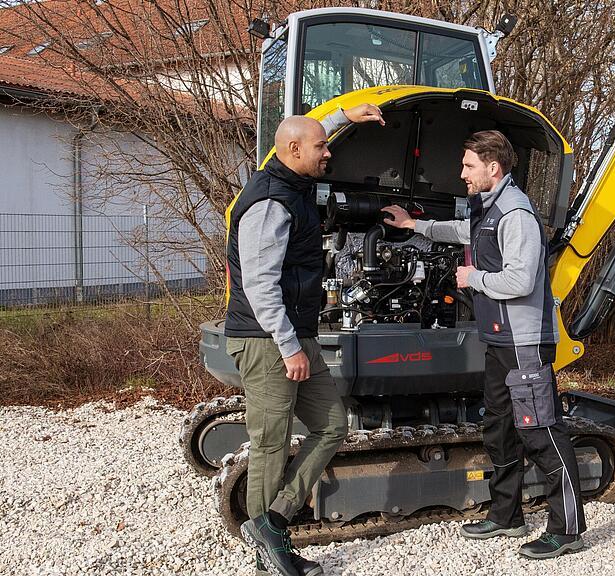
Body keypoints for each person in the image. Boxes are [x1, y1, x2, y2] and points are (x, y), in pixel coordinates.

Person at [381, 130, 586, 559]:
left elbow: (520, 279)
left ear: (493, 168)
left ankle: (567, 529)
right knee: (499, 427)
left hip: (524, 342)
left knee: (541, 431)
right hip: (498, 340)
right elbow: (460, 229)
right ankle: (507, 515)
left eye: (469, 166)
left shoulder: (516, 214)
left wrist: (471, 279)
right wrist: (413, 224)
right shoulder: (486, 211)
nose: (462, 174)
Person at [224, 104, 385, 576]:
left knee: (333, 425)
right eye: (320, 147)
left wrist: (343, 121)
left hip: (298, 334)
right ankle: (268, 551)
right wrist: (289, 346)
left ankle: (271, 522)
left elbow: (305, 140)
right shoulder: (271, 200)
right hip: (268, 339)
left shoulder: (289, 178)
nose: (327, 154)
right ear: (294, 150)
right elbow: (259, 283)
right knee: (271, 442)